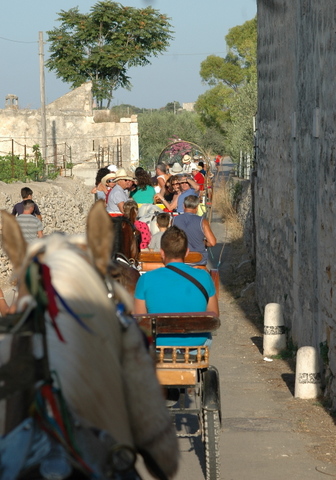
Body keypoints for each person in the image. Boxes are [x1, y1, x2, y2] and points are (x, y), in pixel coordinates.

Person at [134, 226, 219, 347]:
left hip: (157, 347)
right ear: (187, 252)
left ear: (162, 253)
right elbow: (213, 316)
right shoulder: (204, 277)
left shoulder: (145, 279)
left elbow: (140, 321)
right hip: (195, 346)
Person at [173, 195, 216, 265]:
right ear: (197, 207)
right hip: (198, 259)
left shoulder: (175, 219)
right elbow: (212, 242)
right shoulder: (202, 221)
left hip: (180, 258)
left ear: (183, 206)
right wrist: (204, 243)